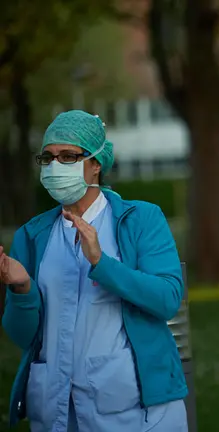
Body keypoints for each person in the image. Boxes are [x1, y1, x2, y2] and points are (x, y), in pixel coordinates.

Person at [1, 110, 188, 431]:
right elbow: (22, 337)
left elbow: (168, 300)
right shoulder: (31, 236)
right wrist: (21, 289)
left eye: (68, 156)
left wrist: (102, 263)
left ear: (96, 163)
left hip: (135, 411)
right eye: (47, 158)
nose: (55, 166)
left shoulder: (141, 220)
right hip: (59, 409)